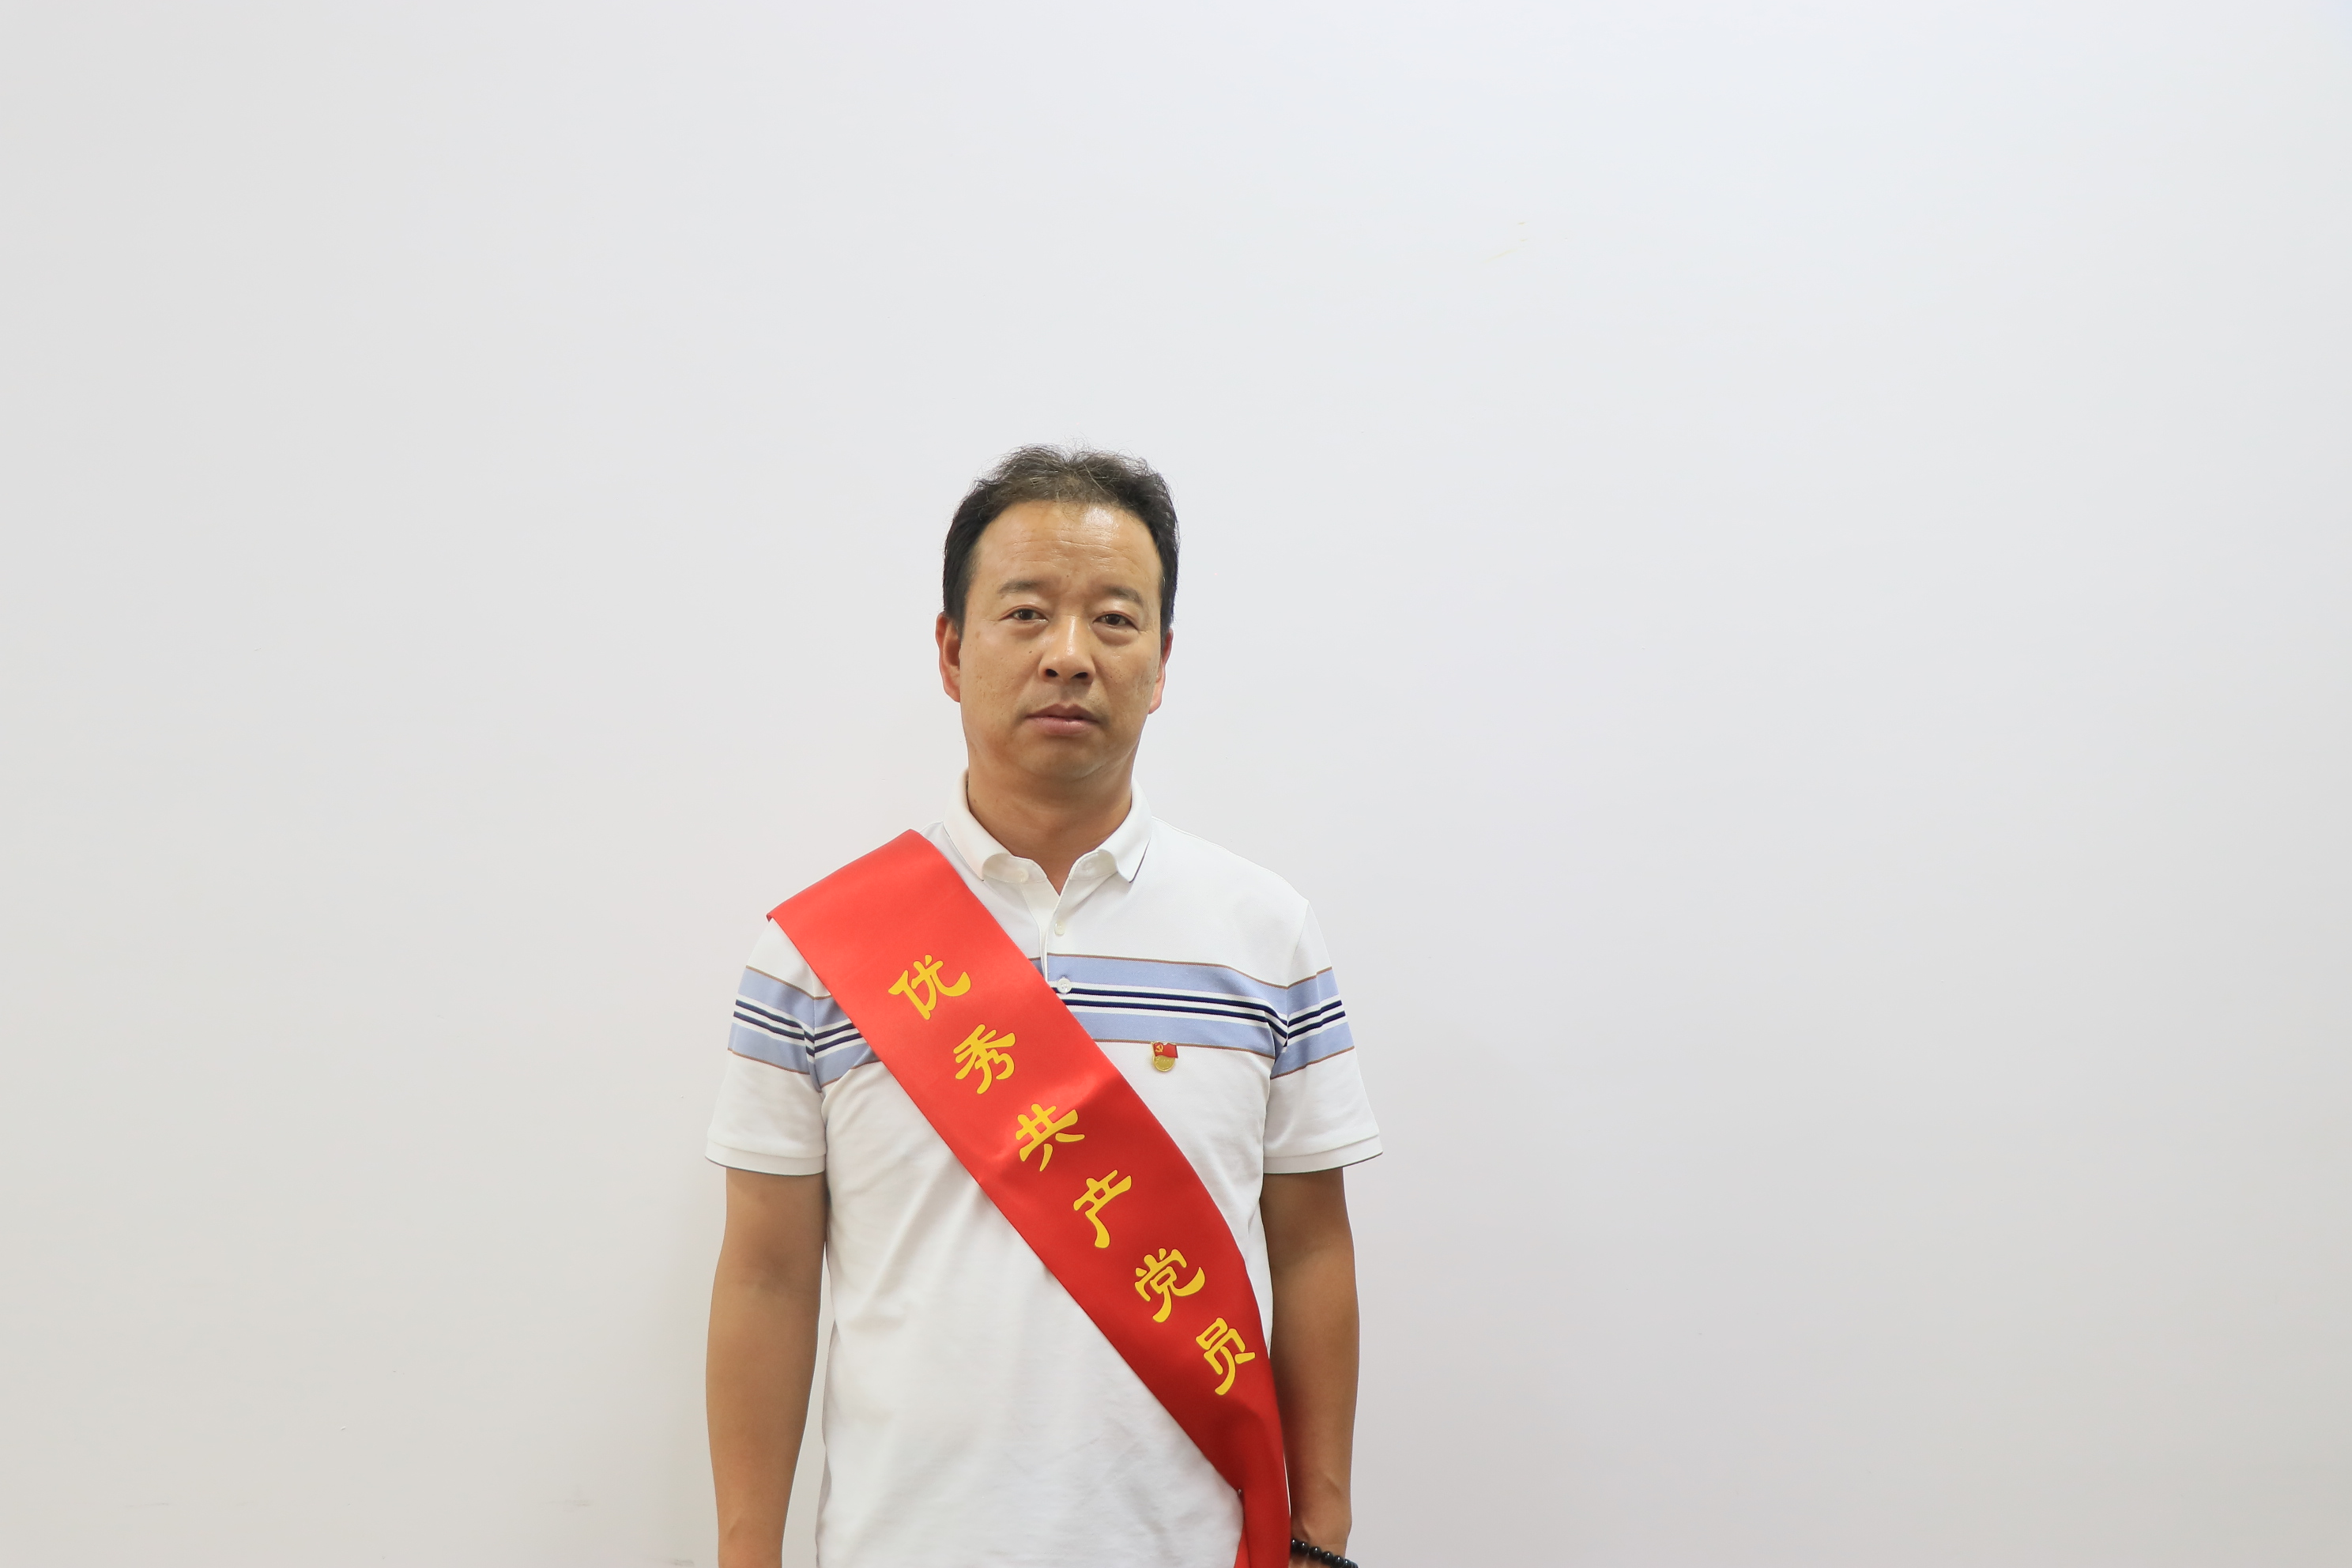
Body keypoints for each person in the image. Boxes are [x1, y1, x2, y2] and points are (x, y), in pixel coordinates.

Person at [703, 447, 1380, 1568]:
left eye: (1114, 620)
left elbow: (1311, 1249)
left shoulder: (1266, 936)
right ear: (951, 650)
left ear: (1161, 663)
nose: (1069, 654)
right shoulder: (813, 959)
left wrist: (1322, 1530)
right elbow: (766, 1277)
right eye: (1025, 614)